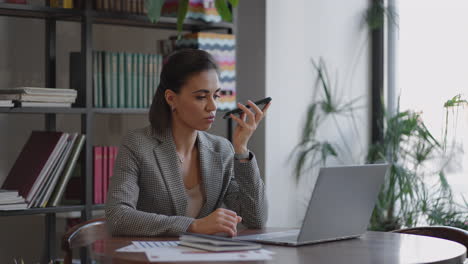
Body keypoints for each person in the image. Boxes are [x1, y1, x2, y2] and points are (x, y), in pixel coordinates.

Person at [105, 49, 271, 237]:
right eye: (201, 97)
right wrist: (192, 226)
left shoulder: (222, 150)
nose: (213, 106)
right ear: (171, 98)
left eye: (216, 96)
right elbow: (117, 217)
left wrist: (241, 150)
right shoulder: (138, 145)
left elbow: (256, 218)